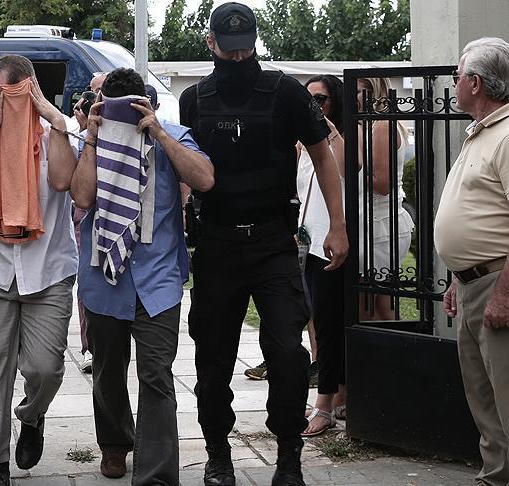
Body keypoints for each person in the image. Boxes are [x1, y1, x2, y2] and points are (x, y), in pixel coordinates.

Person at [178, 3, 348, 486]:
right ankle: (218, 454)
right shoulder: (194, 99)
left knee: (288, 355)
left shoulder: (286, 91)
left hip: (273, 241)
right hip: (218, 243)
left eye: (245, 48)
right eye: (229, 49)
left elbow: (322, 155)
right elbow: (183, 168)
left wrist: (337, 225)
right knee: (212, 359)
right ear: (211, 43)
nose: (238, 57)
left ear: (255, 41)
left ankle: (289, 457)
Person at [71, 67, 214, 485]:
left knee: (157, 376)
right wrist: (93, 136)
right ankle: (115, 444)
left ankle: (156, 475)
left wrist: (159, 133)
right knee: (108, 372)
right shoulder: (92, 140)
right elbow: (82, 196)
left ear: (146, 104)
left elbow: (204, 179)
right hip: (104, 278)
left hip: (158, 280)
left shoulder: (173, 134)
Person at [0, 54, 79, 486]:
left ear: (35, 89)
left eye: (22, 93)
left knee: (46, 368)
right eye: (6, 94)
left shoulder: (58, 126)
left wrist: (55, 121)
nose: (15, 102)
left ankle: (32, 415)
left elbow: (63, 181)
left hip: (49, 267)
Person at [435, 37, 509, 486]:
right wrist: (458, 277)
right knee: (483, 396)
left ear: (476, 83)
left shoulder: (507, 135)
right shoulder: (482, 131)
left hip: (497, 285)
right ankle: (496, 476)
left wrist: (503, 293)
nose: (455, 83)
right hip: (473, 284)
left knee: (504, 393)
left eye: (457, 75)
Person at [297, 74, 348, 436]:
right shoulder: (302, 144)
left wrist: (328, 131)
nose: (314, 106)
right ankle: (339, 395)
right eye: (308, 100)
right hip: (308, 242)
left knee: (330, 325)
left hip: (333, 242)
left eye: (321, 99)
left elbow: (346, 169)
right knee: (315, 321)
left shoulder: (340, 139)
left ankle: (325, 403)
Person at [356, 77, 415, 321]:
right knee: (379, 302)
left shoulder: (382, 125)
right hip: (373, 222)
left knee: (366, 305)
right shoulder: (372, 124)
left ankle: (373, 345)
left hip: (380, 225)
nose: (351, 98)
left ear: (374, 92)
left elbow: (382, 184)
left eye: (357, 92)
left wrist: (346, 173)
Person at [72, 71, 107, 373]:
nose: (97, 98)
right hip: (86, 219)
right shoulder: (79, 134)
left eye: (103, 91)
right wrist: (87, 132)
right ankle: (90, 347)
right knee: (88, 284)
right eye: (93, 92)